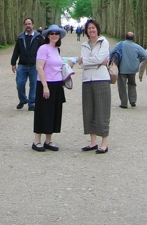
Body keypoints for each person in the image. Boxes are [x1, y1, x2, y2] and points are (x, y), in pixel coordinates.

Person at [70, 18, 111, 154]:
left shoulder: (104, 42)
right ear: (86, 31)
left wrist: (86, 61)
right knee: (89, 111)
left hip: (101, 79)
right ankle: (93, 142)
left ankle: (104, 143)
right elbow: (88, 63)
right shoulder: (84, 45)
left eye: (93, 28)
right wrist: (94, 62)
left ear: (97, 29)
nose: (91, 30)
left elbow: (98, 59)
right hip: (87, 80)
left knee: (102, 110)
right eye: (89, 28)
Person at [32, 24, 67, 152]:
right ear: (47, 35)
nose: (54, 35)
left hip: (57, 84)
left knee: (53, 112)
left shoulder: (56, 50)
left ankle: (48, 140)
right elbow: (39, 67)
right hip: (46, 84)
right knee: (42, 111)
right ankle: (37, 141)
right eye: (51, 33)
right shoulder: (43, 48)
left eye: (56, 33)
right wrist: (45, 86)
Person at [11, 17, 43, 111]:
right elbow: (16, 50)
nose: (28, 26)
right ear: (24, 25)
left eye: (29, 24)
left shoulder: (39, 37)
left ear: (33, 25)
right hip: (22, 65)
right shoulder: (20, 37)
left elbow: (43, 51)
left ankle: (31, 103)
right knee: (20, 84)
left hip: (34, 65)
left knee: (34, 85)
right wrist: (13, 63)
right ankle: (23, 99)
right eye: (26, 24)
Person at [110, 31, 147, 108]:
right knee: (132, 84)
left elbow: (111, 53)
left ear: (125, 37)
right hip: (132, 69)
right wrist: (138, 60)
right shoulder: (136, 46)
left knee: (122, 86)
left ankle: (124, 103)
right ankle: (132, 100)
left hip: (122, 68)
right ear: (133, 38)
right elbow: (145, 55)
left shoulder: (120, 44)